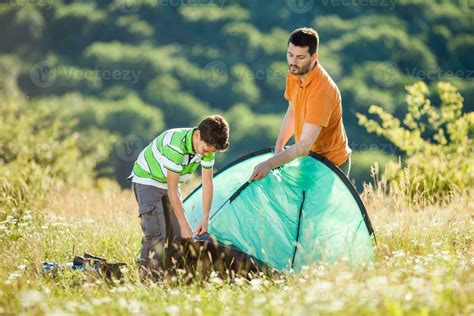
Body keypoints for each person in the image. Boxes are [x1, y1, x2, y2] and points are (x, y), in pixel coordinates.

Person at [129, 115, 230, 281]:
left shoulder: (208, 147)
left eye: (210, 152)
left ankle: (173, 278)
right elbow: (171, 190)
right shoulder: (175, 144)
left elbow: (207, 182)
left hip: (169, 185)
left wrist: (206, 216)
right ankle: (149, 282)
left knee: (179, 235)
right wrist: (185, 225)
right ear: (197, 135)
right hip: (148, 181)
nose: (206, 154)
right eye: (205, 149)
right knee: (157, 235)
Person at [250, 27, 351, 181]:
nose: (293, 62)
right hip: (309, 159)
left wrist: (269, 164)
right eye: (290, 55)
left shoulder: (322, 92)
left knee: (314, 205)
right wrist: (279, 147)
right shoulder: (295, 72)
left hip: (332, 164)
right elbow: (292, 111)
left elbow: (304, 145)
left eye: (300, 57)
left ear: (314, 57)